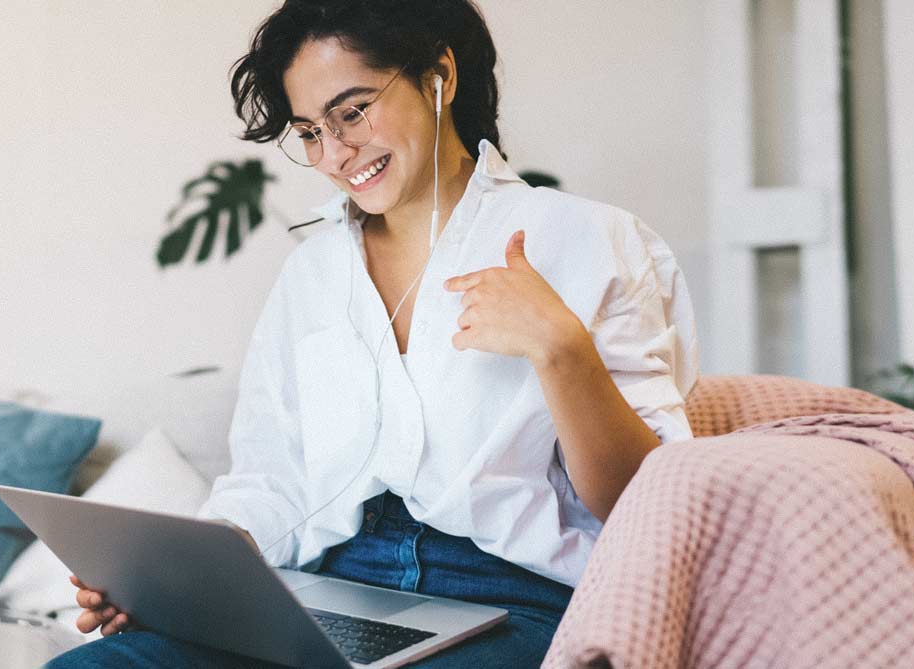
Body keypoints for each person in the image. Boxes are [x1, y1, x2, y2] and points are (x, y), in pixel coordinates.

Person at [48, 0, 697, 666]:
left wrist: (563, 351)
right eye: (308, 133)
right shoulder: (313, 273)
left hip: (515, 600)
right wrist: (171, 581)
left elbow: (650, 507)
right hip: (329, 589)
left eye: (353, 112)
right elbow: (273, 480)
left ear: (438, 75)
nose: (335, 154)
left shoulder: (586, 238)